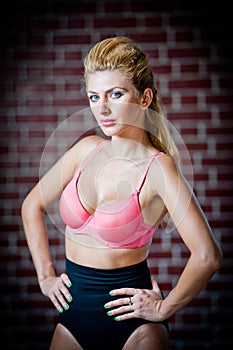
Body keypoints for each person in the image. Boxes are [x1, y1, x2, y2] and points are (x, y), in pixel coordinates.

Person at [21, 36, 222, 350]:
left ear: (144, 98)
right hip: (72, 318)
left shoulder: (158, 168)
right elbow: (30, 206)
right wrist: (45, 276)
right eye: (93, 96)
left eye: (115, 94)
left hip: (133, 326)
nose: (102, 108)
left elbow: (208, 256)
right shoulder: (85, 150)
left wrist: (163, 307)